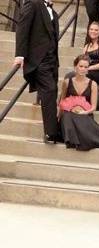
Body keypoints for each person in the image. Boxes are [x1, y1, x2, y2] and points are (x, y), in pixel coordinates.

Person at [14, 0, 62, 143]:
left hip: (52, 61)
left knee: (52, 92)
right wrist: (20, 55)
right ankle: (50, 133)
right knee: (49, 90)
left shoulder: (53, 12)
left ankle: (54, 130)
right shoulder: (33, 3)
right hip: (39, 60)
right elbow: (22, 27)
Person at [58, 55, 99, 151]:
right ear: (75, 66)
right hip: (69, 113)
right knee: (68, 116)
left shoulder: (93, 84)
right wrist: (58, 116)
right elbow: (62, 101)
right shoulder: (67, 82)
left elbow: (93, 107)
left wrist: (84, 112)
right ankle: (72, 139)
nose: (83, 69)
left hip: (85, 113)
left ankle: (85, 139)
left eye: (86, 67)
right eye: (81, 66)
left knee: (88, 129)